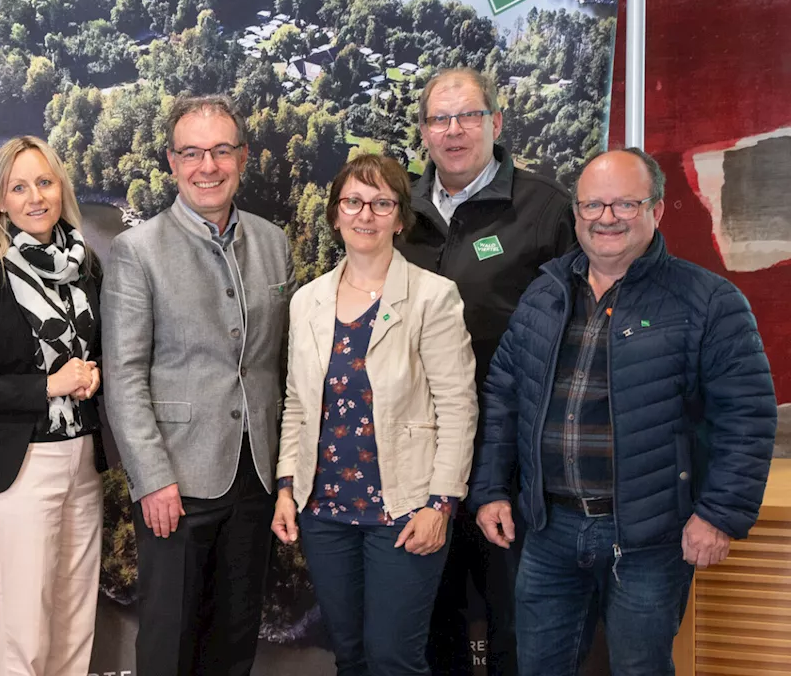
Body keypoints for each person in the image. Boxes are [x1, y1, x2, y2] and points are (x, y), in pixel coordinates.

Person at [470, 148, 777, 675]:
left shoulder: (708, 302)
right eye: (592, 205)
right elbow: (503, 394)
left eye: (624, 204)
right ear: (576, 214)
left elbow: (747, 417)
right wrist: (492, 489)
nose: (606, 218)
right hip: (548, 529)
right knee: (539, 666)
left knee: (641, 667)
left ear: (656, 209)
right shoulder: (545, 293)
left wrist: (719, 515)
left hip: (650, 537)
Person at [102, 93, 292, 675]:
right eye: (191, 152)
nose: (207, 165)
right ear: (171, 161)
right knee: (169, 641)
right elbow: (124, 377)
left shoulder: (273, 242)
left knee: (234, 640)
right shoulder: (137, 250)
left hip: (254, 474)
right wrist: (152, 478)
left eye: (220, 150)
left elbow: (277, 364)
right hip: (176, 485)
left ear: (242, 156)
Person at [396, 67, 577, 676]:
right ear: (422, 132)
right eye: (439, 119)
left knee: (514, 615)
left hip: (513, 455)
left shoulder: (546, 210)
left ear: (496, 124)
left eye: (468, 116)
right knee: (430, 616)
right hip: (419, 458)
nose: (454, 131)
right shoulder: (401, 216)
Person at [271, 154, 478, 675]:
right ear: (336, 214)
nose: (366, 214)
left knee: (394, 659)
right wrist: (286, 487)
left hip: (406, 509)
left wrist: (441, 503)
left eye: (382, 202)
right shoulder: (307, 301)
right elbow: (298, 400)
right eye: (354, 202)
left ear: (400, 218)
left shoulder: (433, 297)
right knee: (351, 656)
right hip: (325, 510)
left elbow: (458, 405)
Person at [0, 136, 106, 676]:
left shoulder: (87, 266)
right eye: (19, 187)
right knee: (25, 634)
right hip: (18, 470)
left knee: (74, 623)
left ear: (60, 187)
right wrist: (48, 386)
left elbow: (96, 351)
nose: (35, 197)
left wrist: (93, 374)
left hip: (83, 461)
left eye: (44, 182)